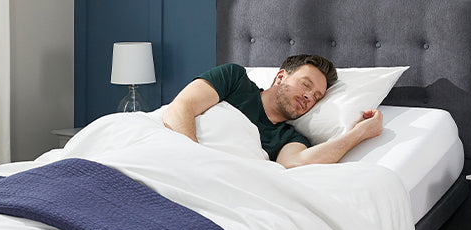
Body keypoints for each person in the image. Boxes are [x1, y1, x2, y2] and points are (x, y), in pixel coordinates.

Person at [162, 54, 383, 168]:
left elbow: (293, 163)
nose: (309, 97)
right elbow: (181, 108)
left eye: (317, 97)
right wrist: (193, 161)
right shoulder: (235, 80)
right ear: (280, 77)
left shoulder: (289, 138)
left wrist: (359, 133)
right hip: (174, 154)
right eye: (306, 85)